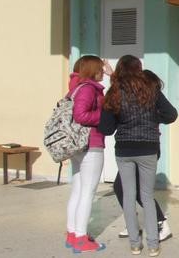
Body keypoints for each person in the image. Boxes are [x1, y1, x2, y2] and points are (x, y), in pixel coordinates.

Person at [99, 56, 177, 257]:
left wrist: (118, 120)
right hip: (148, 149)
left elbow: (106, 129)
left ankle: (135, 245)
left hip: (124, 150)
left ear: (119, 70)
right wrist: (152, 119)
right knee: (147, 197)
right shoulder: (151, 90)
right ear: (139, 69)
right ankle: (153, 245)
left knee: (128, 196)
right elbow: (171, 114)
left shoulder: (114, 92)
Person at [114, 70, 172, 241]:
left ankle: (161, 223)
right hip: (133, 149)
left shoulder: (149, 94)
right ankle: (133, 223)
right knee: (121, 187)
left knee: (137, 190)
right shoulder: (134, 95)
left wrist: (154, 118)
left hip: (146, 149)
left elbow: (171, 114)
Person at [65, 55, 108, 253]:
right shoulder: (88, 89)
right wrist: (104, 114)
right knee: (87, 192)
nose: (102, 72)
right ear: (92, 70)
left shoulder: (76, 86)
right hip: (90, 144)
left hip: (78, 145)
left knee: (78, 190)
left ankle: (72, 233)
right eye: (100, 68)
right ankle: (81, 238)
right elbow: (80, 115)